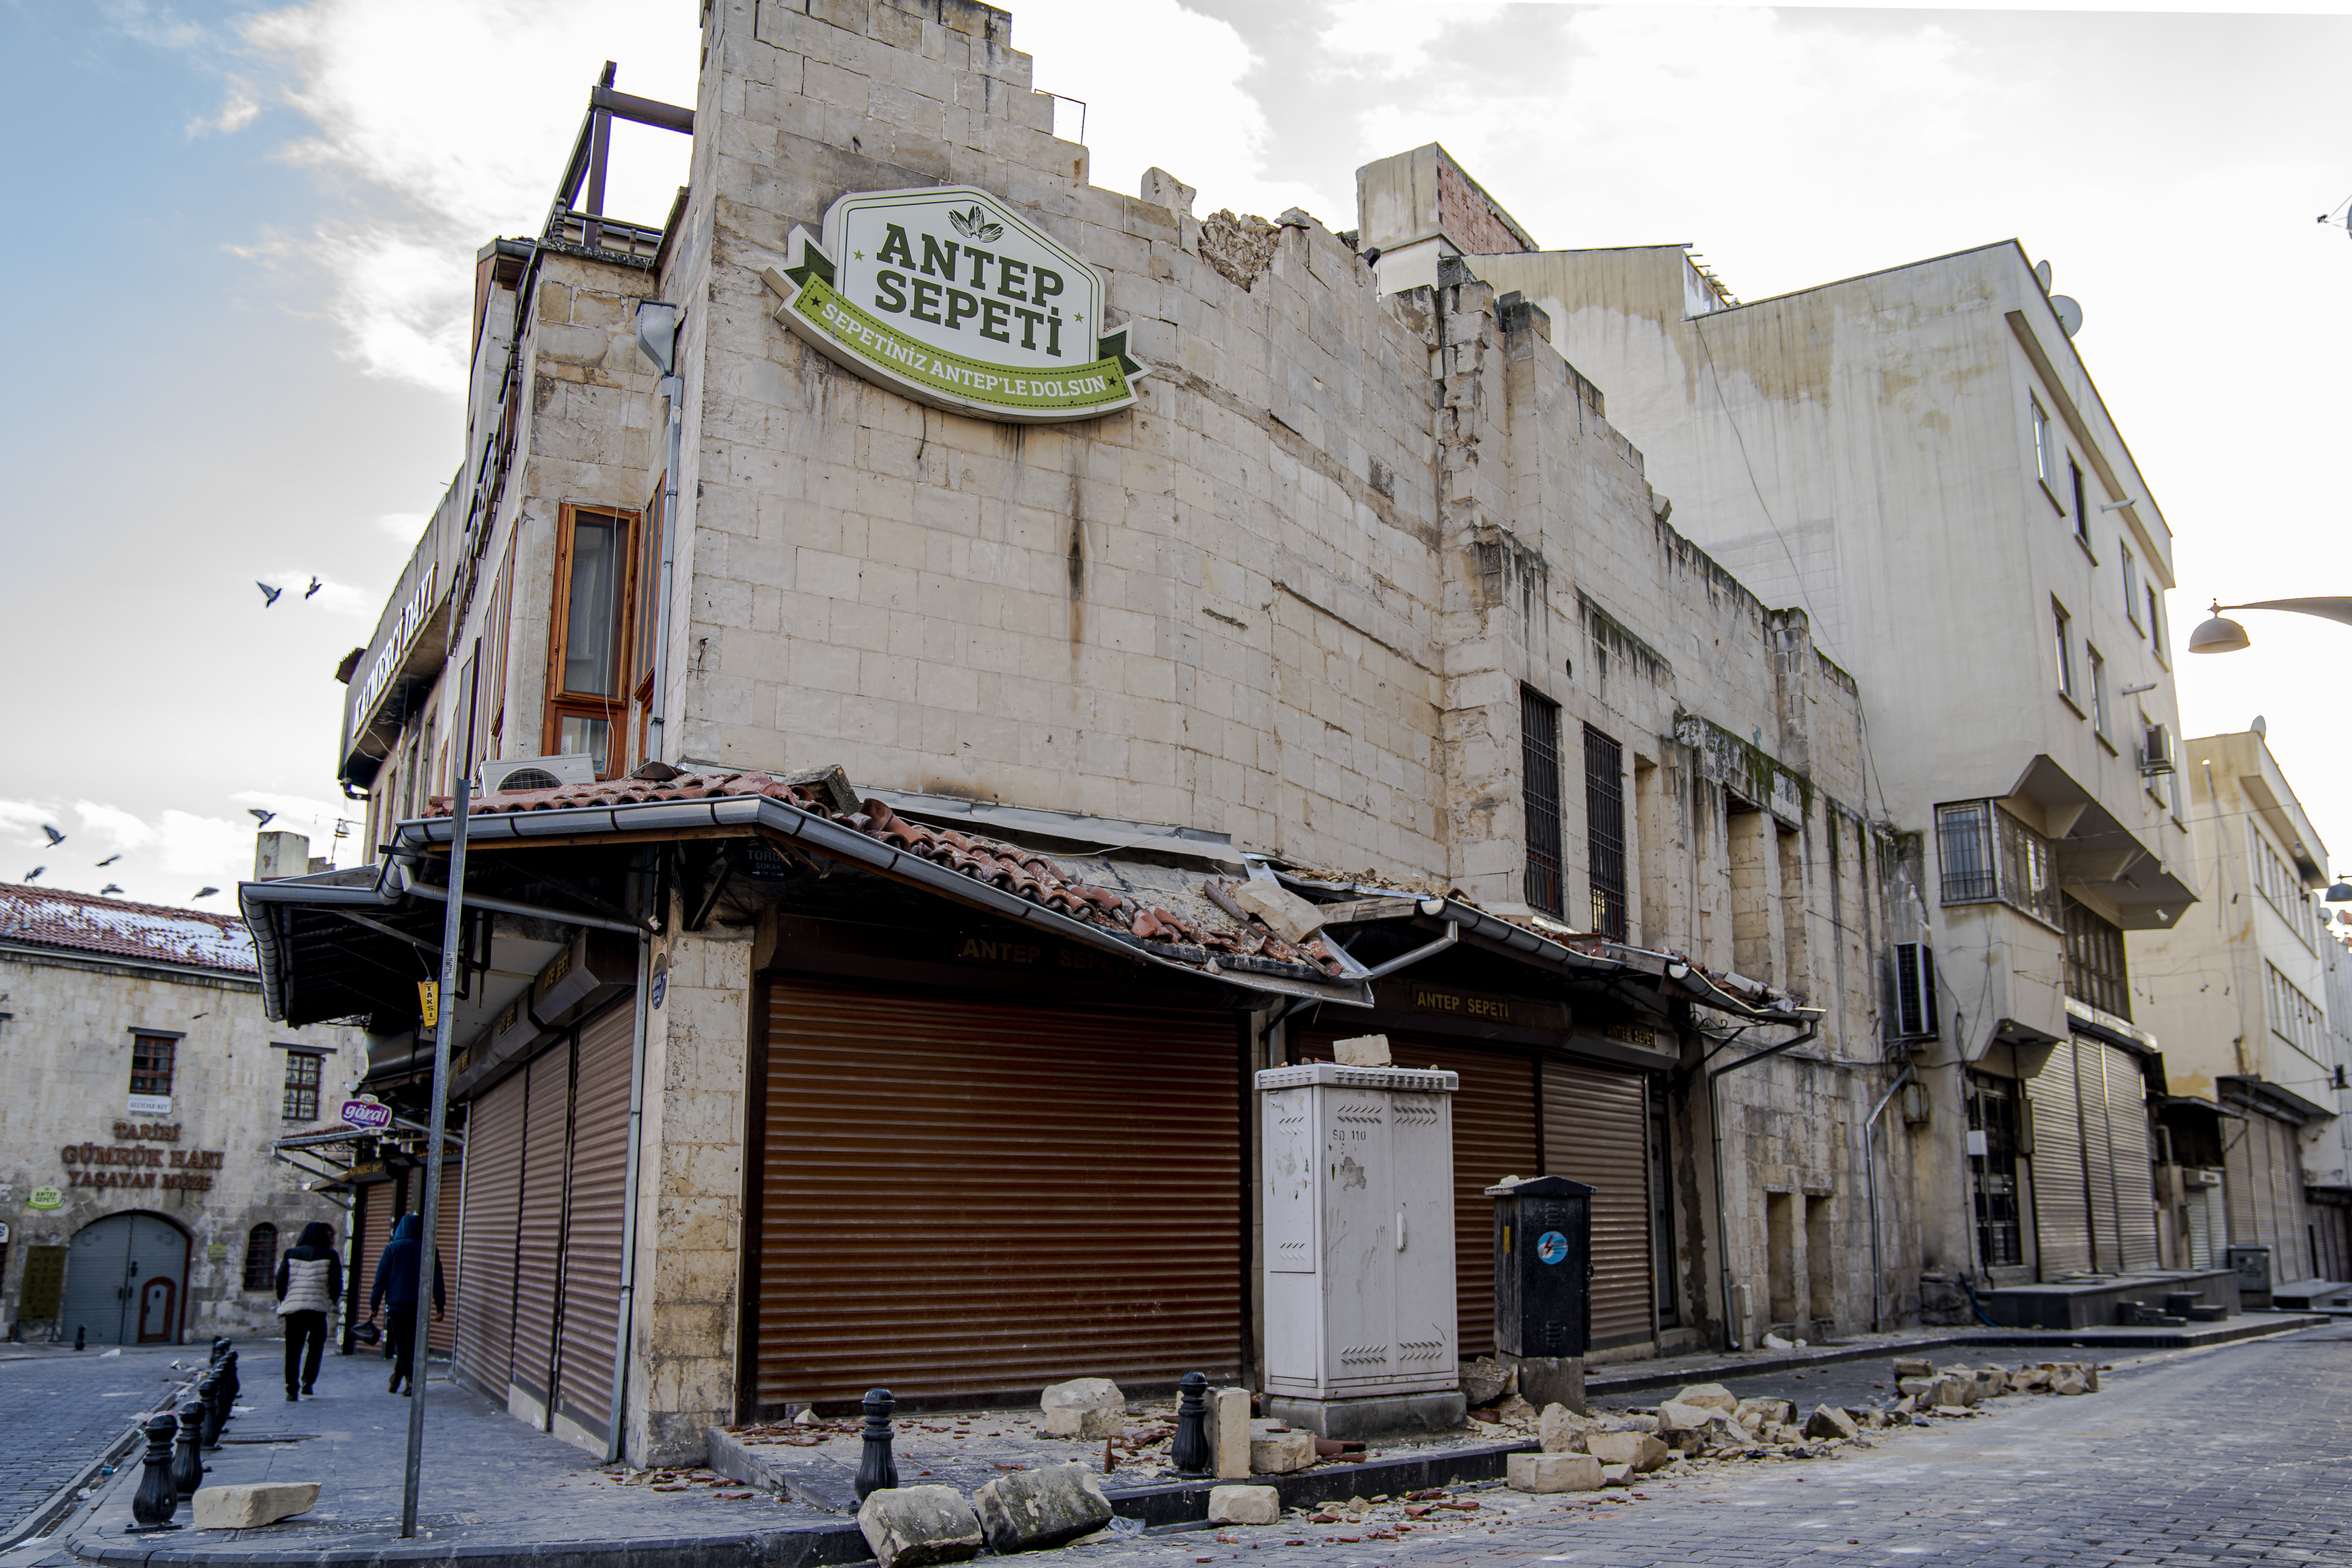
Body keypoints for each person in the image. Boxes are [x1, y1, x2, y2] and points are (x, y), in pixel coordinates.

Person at [367, 1213, 445, 1396]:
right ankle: (399, 1377)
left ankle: (409, 1379)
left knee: (403, 1343)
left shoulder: (392, 1249)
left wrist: (374, 1304)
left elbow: (381, 1279)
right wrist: (440, 1306)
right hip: (420, 1307)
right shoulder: (429, 1249)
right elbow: (437, 1280)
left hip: (397, 1306)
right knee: (410, 1344)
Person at [273, 1220, 341, 1401]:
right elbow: (336, 1284)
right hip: (318, 1309)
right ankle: (308, 1382)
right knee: (316, 1347)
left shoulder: (290, 1254)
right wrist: (332, 1300)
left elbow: (280, 1281)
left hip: (294, 1311)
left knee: (293, 1350)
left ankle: (291, 1389)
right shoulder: (330, 1255)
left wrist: (284, 1299)